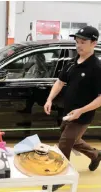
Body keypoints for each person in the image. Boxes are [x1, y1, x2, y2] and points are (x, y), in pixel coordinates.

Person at [43, 26, 101, 191]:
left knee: (64, 144)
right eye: (77, 42)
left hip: (82, 116)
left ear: (94, 43)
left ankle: (60, 177)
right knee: (72, 141)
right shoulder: (71, 63)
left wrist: (81, 111)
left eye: (83, 42)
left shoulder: (96, 68)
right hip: (68, 113)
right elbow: (60, 82)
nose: (79, 45)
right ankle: (95, 154)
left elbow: (100, 98)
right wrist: (49, 99)